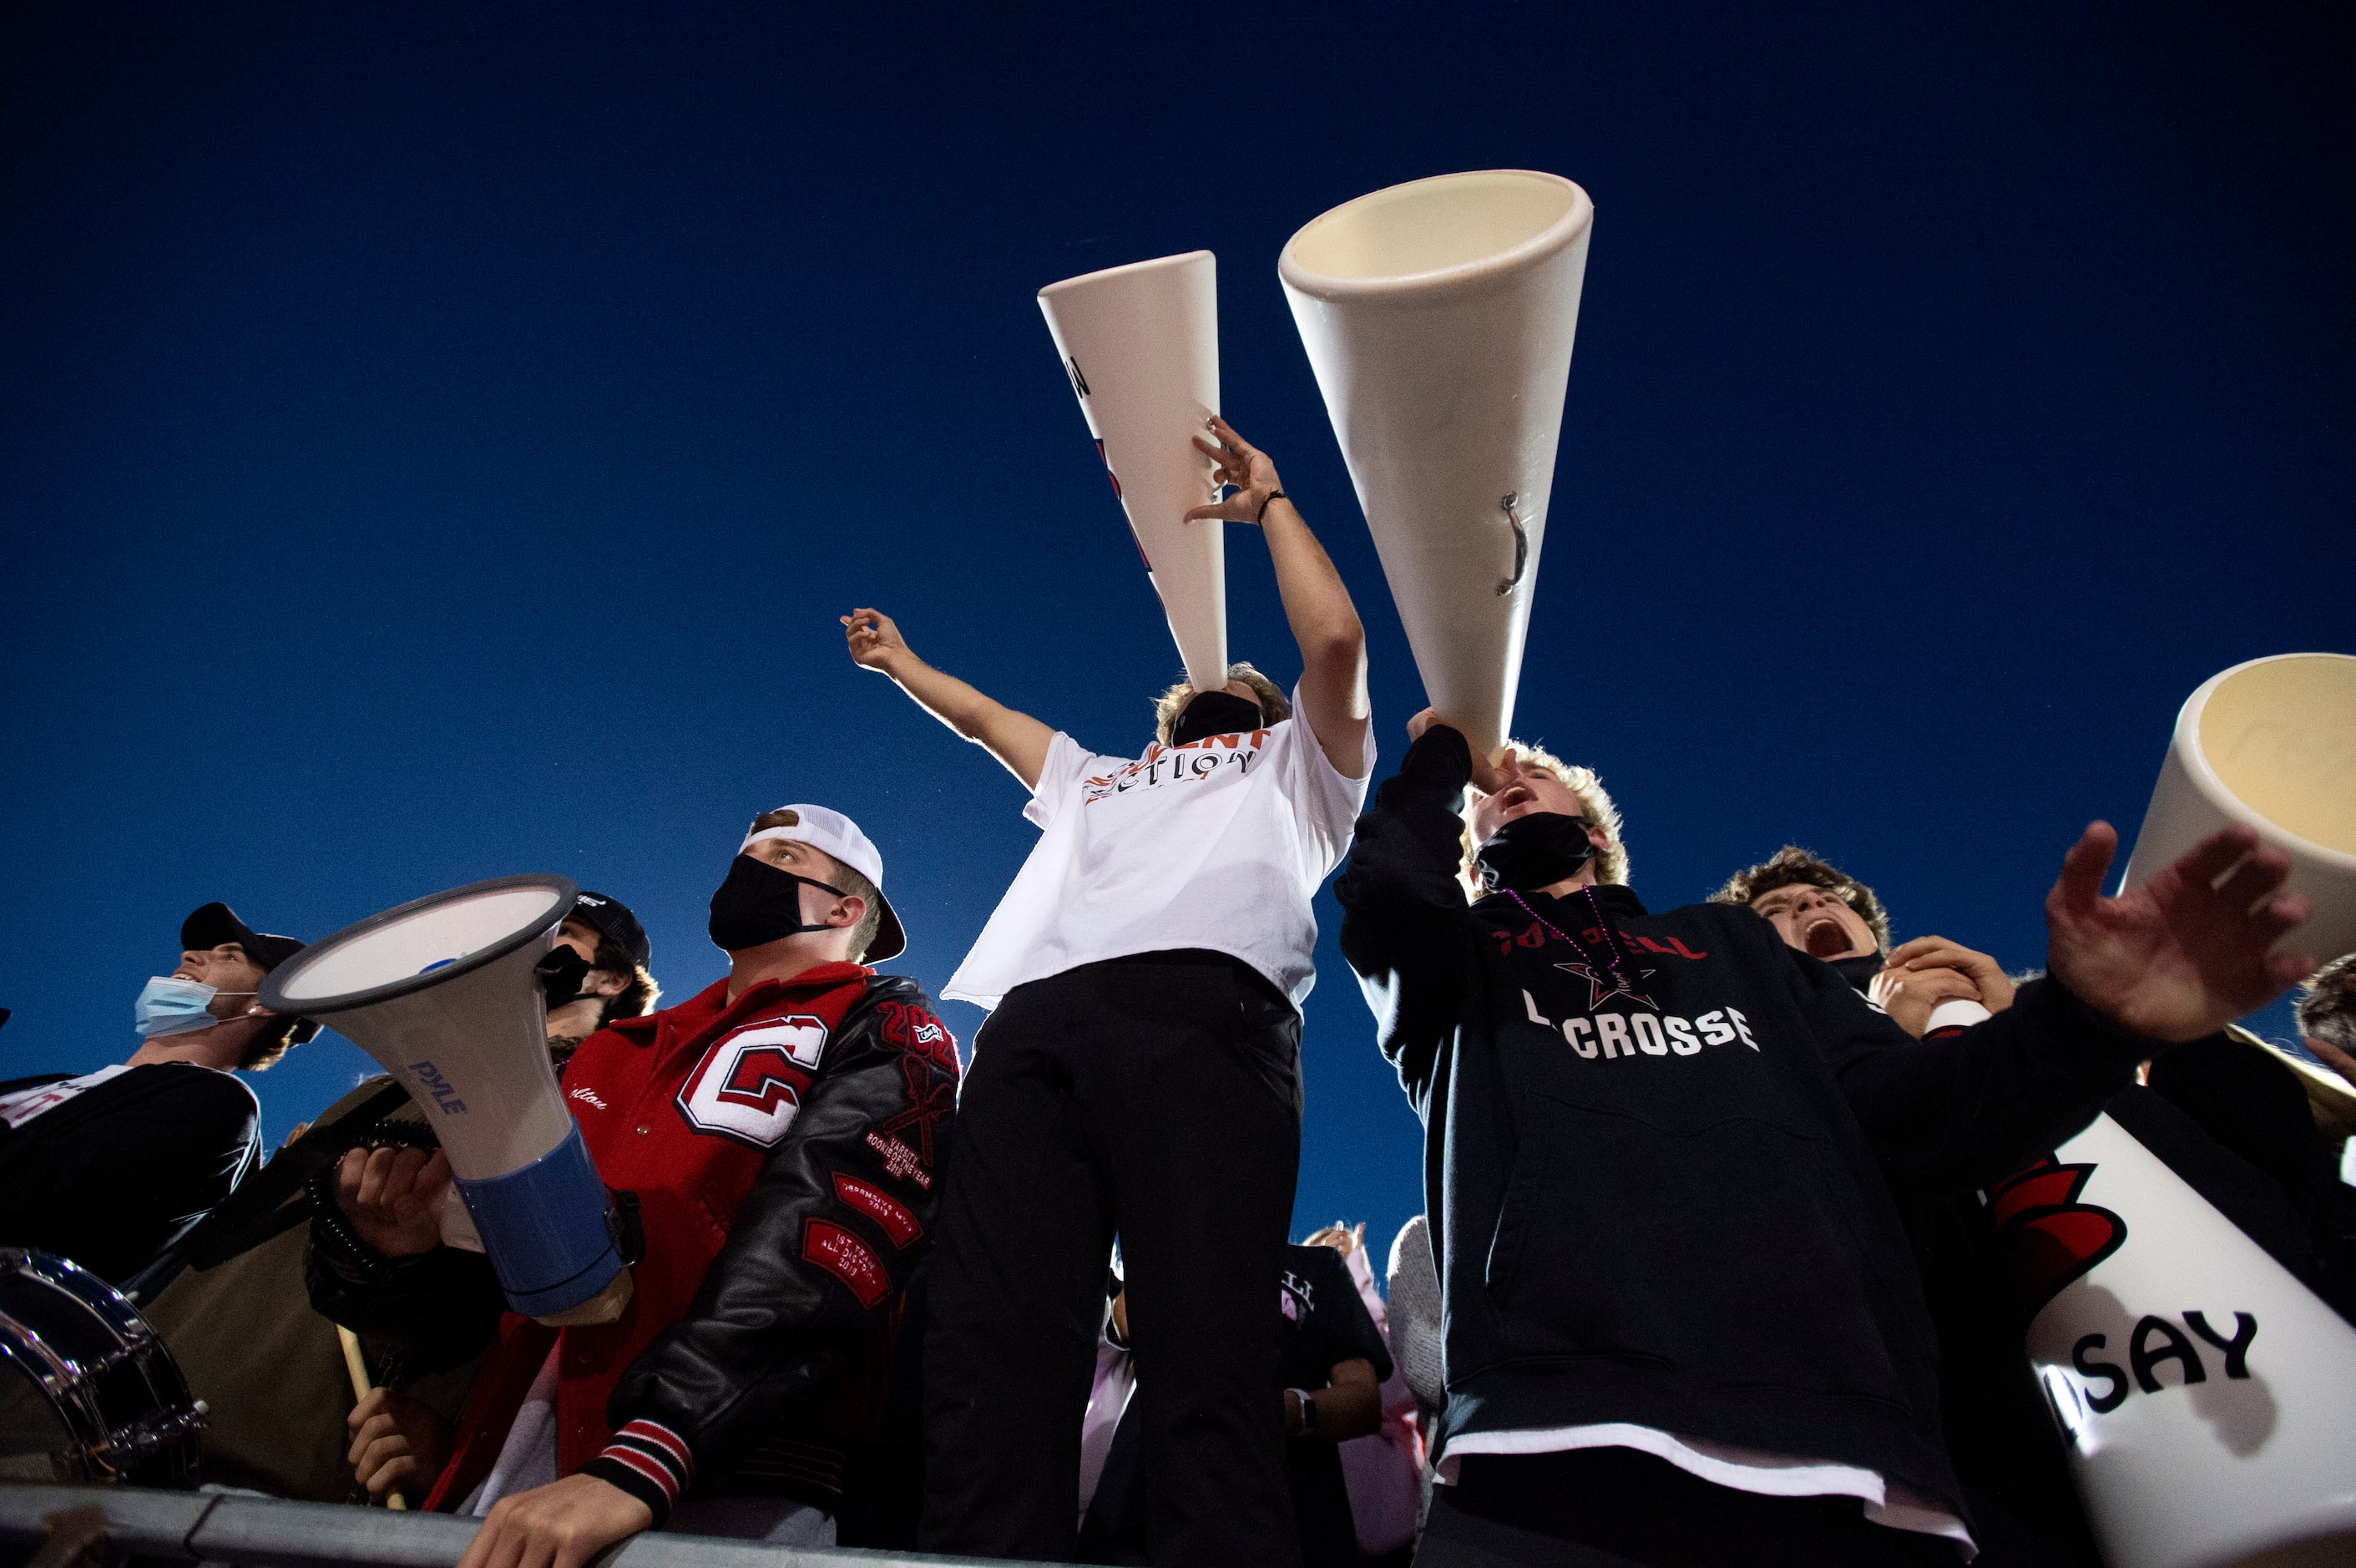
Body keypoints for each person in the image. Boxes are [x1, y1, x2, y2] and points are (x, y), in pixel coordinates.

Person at [1335, 712, 2313, 1567]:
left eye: (1523, 781)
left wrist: (2091, 1022)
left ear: (1591, 831)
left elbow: (1910, 1115)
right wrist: (1445, 759)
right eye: (1481, 802)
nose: (1500, 792)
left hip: (1848, 1461)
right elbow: (1383, 885)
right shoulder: (1453, 972)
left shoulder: (1738, 950)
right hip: (1545, 1451)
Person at [847, 415, 1373, 1568]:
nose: (1216, 700)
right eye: (1199, 697)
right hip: (1038, 1025)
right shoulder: (1103, 779)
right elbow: (992, 723)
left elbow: (1332, 640)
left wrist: (1274, 503)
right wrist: (903, 665)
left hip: (1207, 1017)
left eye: (1240, 692)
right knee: (994, 1355)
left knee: (1204, 1355)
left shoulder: (1298, 772)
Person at [309, 807, 958, 1558]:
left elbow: (833, 1236)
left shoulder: (886, 1023)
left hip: (722, 1482)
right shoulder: (615, 1046)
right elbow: (522, 1281)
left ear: (843, 909)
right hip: (507, 1464)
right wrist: (406, 1254)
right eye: (746, 854)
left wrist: (655, 1451)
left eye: (780, 857)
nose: (748, 869)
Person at [140, 890, 660, 1506]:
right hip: (137, 1413)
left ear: (607, 976)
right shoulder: (395, 1088)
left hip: (269, 1473)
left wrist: (457, 1447)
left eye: (561, 931)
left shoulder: (596, 1109)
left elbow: (527, 1308)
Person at [0, 902, 316, 1291]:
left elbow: (42, 1203)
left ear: (261, 1005)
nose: (189, 955)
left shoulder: (220, 1105)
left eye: (230, 956)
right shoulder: (56, 1083)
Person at [1081, 1241, 1392, 1568]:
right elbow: (1123, 1319)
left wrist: (1289, 1412)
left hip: (1288, 1517)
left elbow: (1363, 1399)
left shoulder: (1320, 1265)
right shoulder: (1176, 1237)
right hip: (1145, 1509)